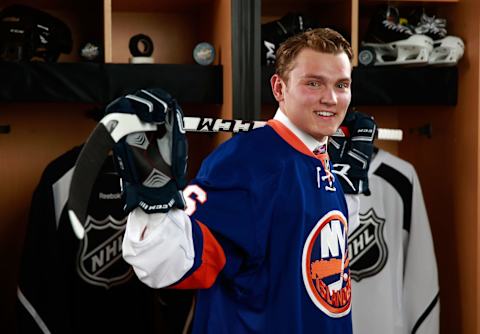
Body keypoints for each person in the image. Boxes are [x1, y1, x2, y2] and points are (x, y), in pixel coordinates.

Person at [114, 28, 375, 333]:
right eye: (313, 83)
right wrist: (154, 197)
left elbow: (308, 248)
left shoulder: (319, 156)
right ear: (279, 88)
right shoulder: (245, 164)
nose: (331, 99)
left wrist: (349, 190)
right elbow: (168, 265)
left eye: (341, 85)